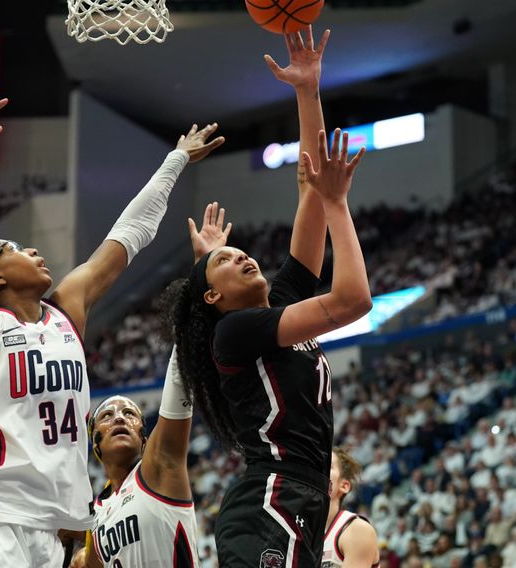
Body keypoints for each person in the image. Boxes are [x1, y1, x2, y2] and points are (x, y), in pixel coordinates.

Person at [0, 87, 224, 567]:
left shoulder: (66, 311)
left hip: (51, 536)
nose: (34, 251)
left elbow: (128, 235)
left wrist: (175, 162)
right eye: (15, 247)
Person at [168, 26, 372, 567]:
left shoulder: (273, 306)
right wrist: (339, 206)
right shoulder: (234, 332)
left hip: (300, 499)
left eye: (236, 252)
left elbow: (309, 184)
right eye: (225, 261)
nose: (240, 255)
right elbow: (354, 300)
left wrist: (307, 92)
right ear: (213, 298)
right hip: (271, 500)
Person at [70, 203, 231, 568]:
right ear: (95, 442)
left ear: (146, 437)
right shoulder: (95, 517)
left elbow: (181, 376)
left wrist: (200, 276)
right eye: (107, 415)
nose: (120, 417)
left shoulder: (160, 465)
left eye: (130, 413)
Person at [322, 448, 380, 568]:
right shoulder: (302, 531)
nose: (318, 471)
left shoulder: (357, 529)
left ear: (344, 486)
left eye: (328, 465)